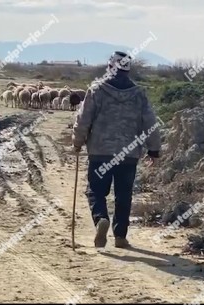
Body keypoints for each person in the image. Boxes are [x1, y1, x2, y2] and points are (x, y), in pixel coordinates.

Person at [72, 51, 161, 248]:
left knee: (96, 190)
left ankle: (101, 218)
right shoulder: (139, 94)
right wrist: (153, 150)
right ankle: (120, 236)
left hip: (100, 152)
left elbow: (83, 119)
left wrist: (77, 142)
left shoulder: (96, 90)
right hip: (129, 154)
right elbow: (150, 122)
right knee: (124, 194)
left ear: (110, 67)